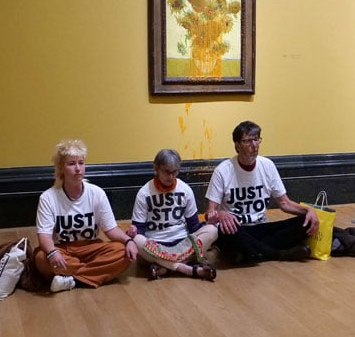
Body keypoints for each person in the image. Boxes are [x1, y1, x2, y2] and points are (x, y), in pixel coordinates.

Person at [204, 120, 319, 264]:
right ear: (237, 145)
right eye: (247, 141)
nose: (254, 145)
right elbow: (209, 214)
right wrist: (220, 214)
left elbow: (285, 203)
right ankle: (279, 254)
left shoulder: (268, 166)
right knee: (227, 232)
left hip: (260, 227)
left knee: (305, 222)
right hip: (237, 229)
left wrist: (308, 210)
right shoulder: (223, 171)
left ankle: (250, 252)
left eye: (256, 139)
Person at [34, 139, 137, 293]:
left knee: (122, 252)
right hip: (63, 250)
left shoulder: (96, 193)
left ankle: (71, 279)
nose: (78, 169)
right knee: (42, 258)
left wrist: (129, 241)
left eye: (81, 163)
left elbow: (111, 230)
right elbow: (44, 236)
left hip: (91, 247)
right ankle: (93, 273)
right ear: (61, 168)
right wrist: (52, 252)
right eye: (71, 164)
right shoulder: (48, 198)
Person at [126, 149, 217, 281]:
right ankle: (186, 269)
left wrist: (208, 224)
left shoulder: (185, 190)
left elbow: (194, 226)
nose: (171, 177)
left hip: (182, 242)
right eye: (166, 172)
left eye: (175, 172)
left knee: (213, 230)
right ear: (156, 169)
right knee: (136, 240)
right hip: (155, 244)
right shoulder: (144, 193)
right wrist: (134, 231)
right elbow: (139, 229)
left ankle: (163, 267)